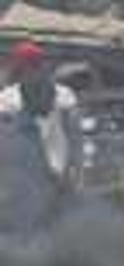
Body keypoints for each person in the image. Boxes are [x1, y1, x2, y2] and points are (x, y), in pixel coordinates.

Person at [0, 40, 82, 236]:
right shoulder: (65, 94)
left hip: (26, 177)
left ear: (18, 65)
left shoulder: (8, 97)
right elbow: (76, 137)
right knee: (61, 226)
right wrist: (77, 170)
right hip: (59, 171)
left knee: (30, 229)